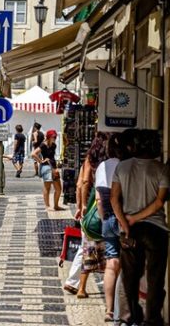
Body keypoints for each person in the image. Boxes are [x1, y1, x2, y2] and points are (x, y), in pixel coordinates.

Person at [111, 129, 168, 326]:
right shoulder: (161, 169)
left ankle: (131, 318)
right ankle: (152, 320)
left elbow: (114, 199)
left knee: (130, 277)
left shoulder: (123, 167)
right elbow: (160, 202)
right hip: (156, 230)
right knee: (155, 279)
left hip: (130, 231)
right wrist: (136, 218)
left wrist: (126, 223)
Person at [75, 132, 108, 299]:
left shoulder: (91, 159)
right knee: (109, 249)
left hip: (93, 203)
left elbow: (83, 182)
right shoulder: (109, 161)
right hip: (104, 202)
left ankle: (81, 288)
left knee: (88, 247)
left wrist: (82, 206)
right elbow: (85, 182)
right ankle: (109, 285)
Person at [94, 133, 123, 322]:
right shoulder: (126, 166)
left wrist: (105, 218)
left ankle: (109, 309)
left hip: (108, 219)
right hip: (125, 218)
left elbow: (98, 198)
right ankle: (124, 310)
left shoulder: (102, 167)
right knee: (128, 264)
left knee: (111, 265)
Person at [31, 129, 63, 211]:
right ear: (49, 137)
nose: (55, 138)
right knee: (47, 187)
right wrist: (41, 161)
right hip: (46, 167)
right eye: (53, 137)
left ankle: (56, 205)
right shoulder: (43, 145)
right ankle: (47, 206)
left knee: (58, 189)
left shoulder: (54, 145)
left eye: (55, 137)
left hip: (53, 167)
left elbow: (52, 156)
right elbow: (33, 154)